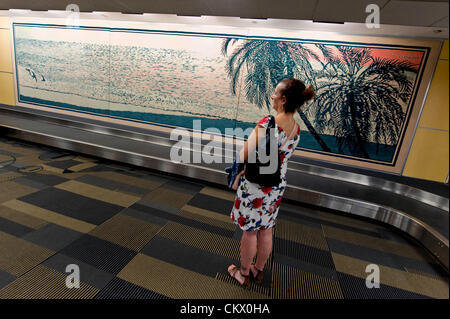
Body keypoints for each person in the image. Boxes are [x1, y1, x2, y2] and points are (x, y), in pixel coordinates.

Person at [227, 78, 315, 287]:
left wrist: (236, 171)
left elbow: (245, 154)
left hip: (257, 186)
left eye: (275, 93)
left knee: (250, 231)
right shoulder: (296, 129)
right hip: (276, 186)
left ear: (283, 100)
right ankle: (259, 270)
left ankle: (244, 273)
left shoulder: (268, 123)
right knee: (266, 229)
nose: (272, 96)